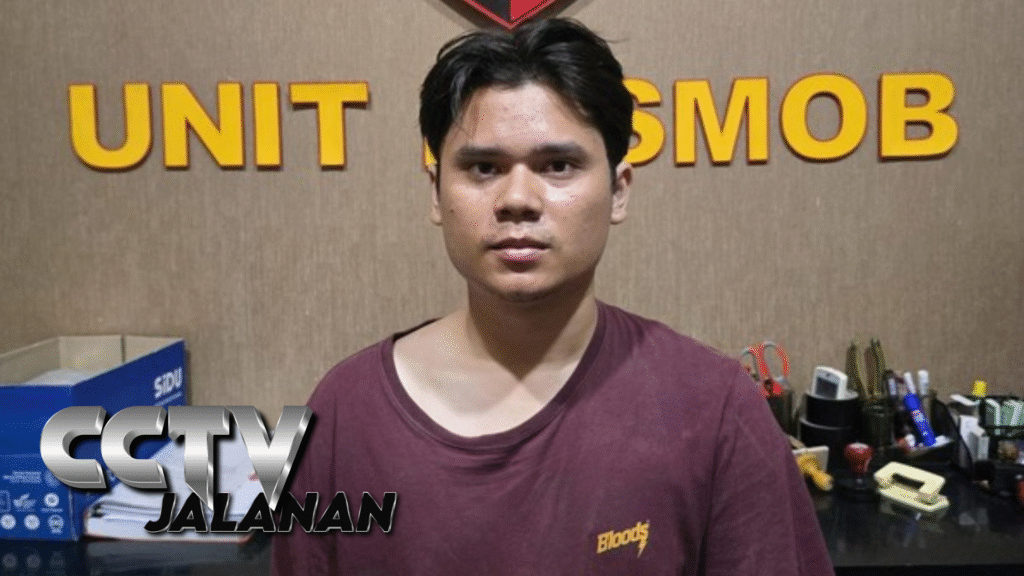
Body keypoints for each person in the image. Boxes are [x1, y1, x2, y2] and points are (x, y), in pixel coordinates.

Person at [272, 18, 835, 575]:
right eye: (484, 167)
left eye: (558, 166)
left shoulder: (714, 410)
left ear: (618, 190)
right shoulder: (344, 414)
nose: (518, 198)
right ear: (437, 193)